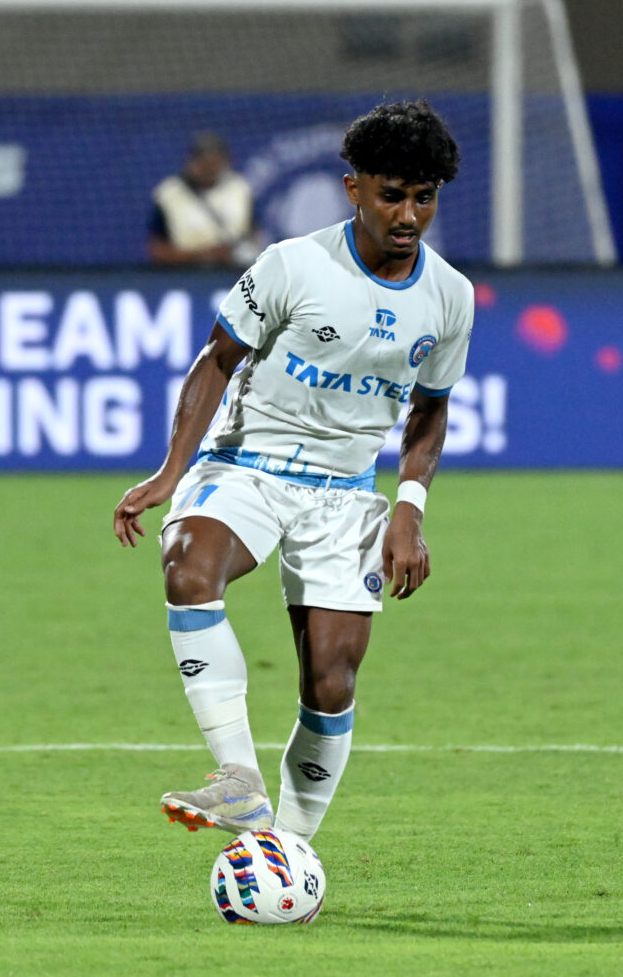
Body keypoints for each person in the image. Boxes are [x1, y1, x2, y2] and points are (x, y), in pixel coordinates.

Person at [115, 100, 473, 842]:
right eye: (392, 193)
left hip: (345, 494)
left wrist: (409, 509)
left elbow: (428, 412)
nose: (408, 213)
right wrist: (171, 471)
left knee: (330, 683)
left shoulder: (450, 296)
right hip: (248, 463)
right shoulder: (293, 264)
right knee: (188, 567)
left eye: (424, 196)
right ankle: (239, 780)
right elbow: (217, 360)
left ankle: (288, 852)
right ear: (353, 189)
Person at [148, 131, 261, 268]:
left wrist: (241, 252)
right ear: (192, 162)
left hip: (234, 273)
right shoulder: (169, 194)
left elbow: (254, 234)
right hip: (183, 274)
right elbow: (157, 250)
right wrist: (204, 256)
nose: (210, 168)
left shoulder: (239, 189)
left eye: (215, 162)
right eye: (204, 162)